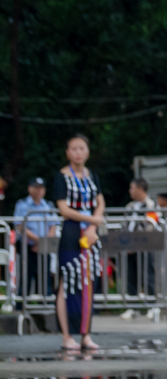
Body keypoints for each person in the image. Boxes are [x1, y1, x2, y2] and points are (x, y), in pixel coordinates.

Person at [54, 135, 106, 352]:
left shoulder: (91, 174)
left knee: (88, 282)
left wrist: (94, 226)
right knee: (68, 282)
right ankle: (67, 335)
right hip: (71, 231)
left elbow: (100, 202)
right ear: (67, 152)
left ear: (87, 151)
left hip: (90, 234)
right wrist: (91, 220)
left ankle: (86, 333)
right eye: (73, 148)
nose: (78, 152)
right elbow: (64, 209)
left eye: (81, 148)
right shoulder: (60, 177)